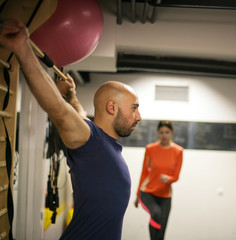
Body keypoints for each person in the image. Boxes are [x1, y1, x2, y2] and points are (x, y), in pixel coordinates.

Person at [0, 19, 141, 239]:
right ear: (112, 107)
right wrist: (23, 49)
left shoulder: (98, 139)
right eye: (134, 108)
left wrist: (72, 96)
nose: (139, 117)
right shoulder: (91, 142)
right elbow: (58, 110)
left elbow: (79, 115)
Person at [134, 120, 183, 240]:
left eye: (167, 132)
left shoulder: (178, 151)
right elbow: (144, 173)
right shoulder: (150, 149)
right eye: (161, 132)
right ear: (158, 133)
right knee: (155, 213)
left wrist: (169, 179)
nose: (164, 135)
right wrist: (137, 195)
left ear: (172, 133)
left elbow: (176, 176)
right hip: (148, 193)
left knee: (161, 232)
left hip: (165, 196)